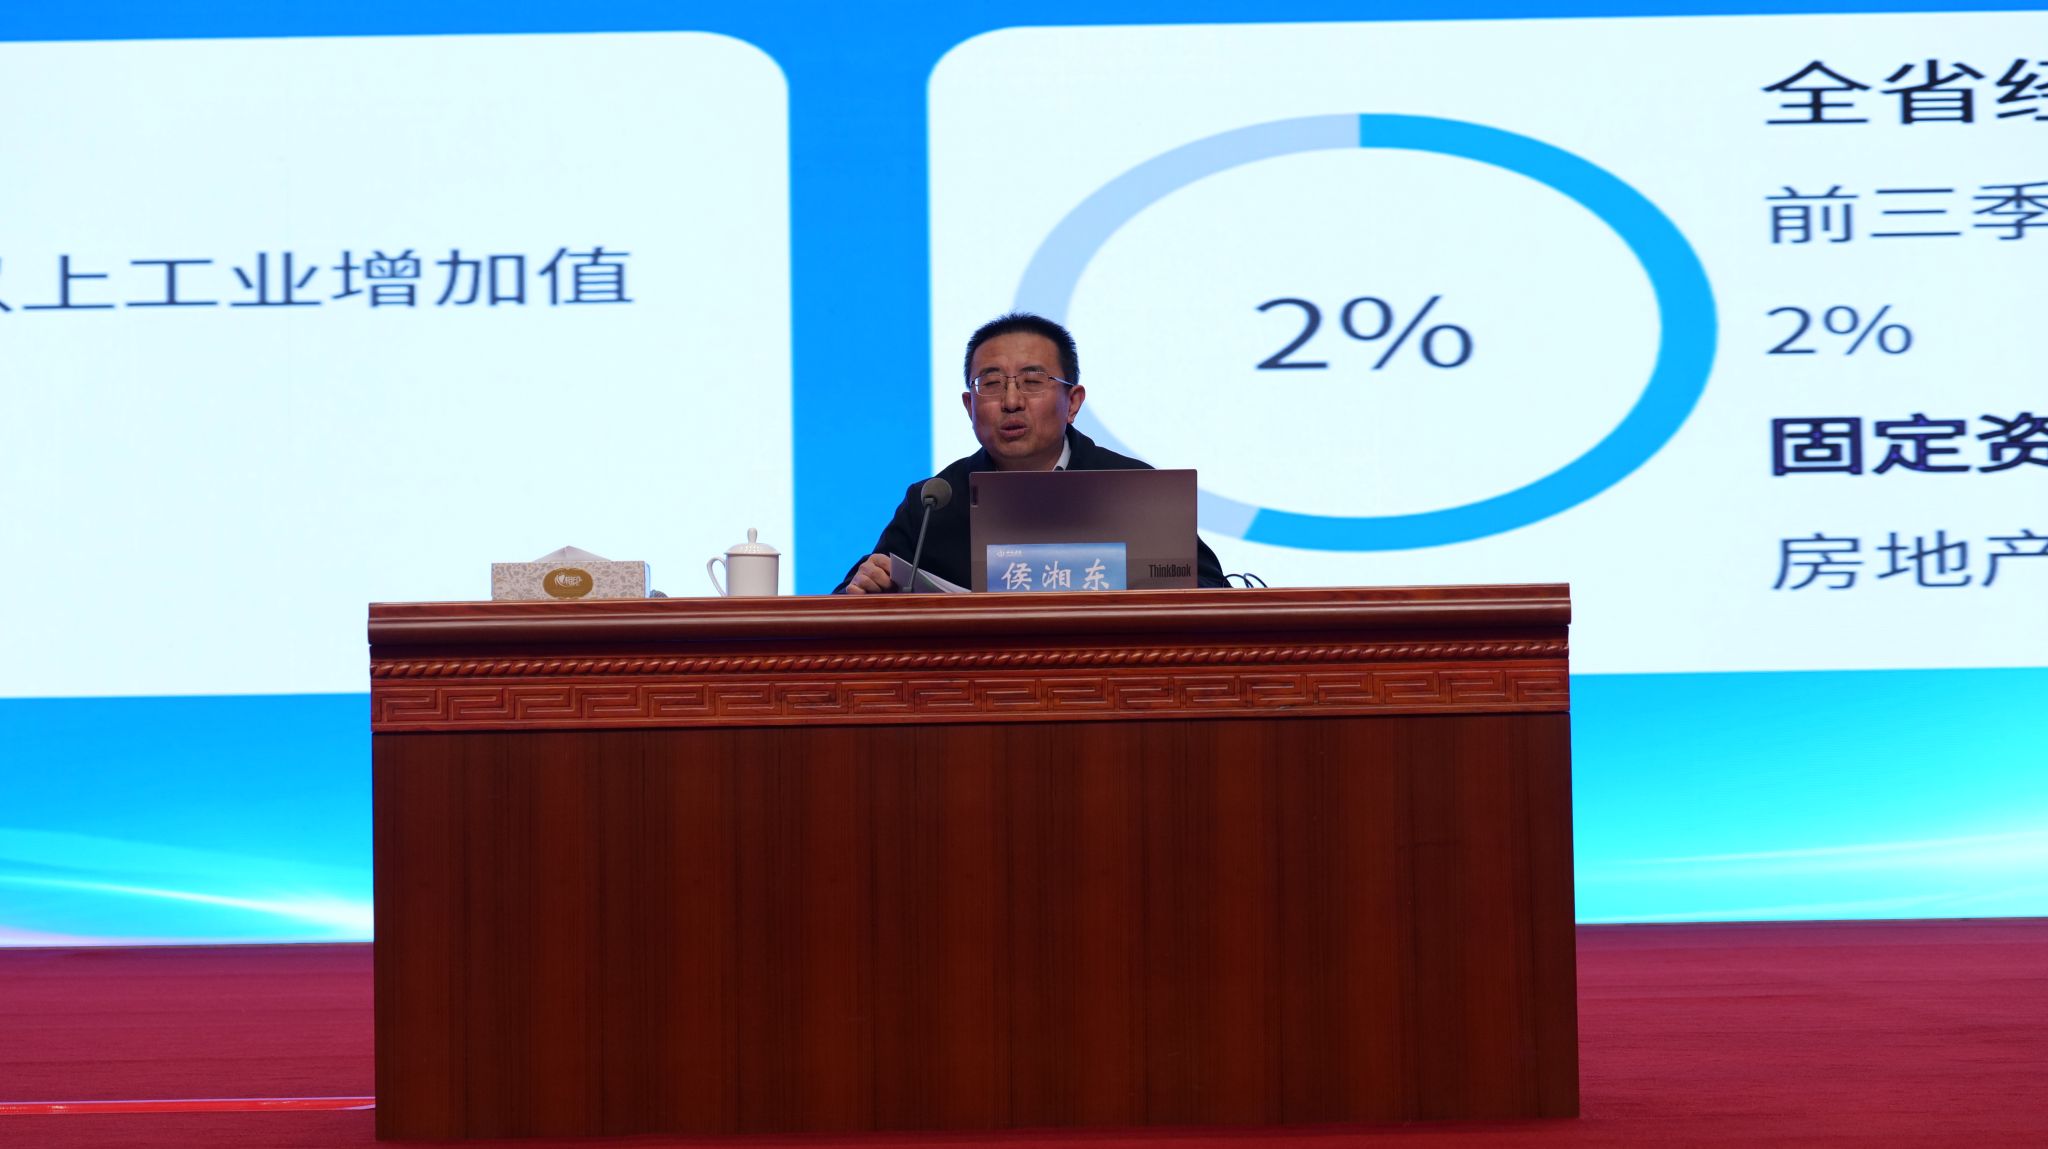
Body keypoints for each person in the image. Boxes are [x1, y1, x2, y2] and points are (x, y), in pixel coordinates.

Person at [836, 312, 1227, 593]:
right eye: (991, 384)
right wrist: (866, 585)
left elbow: (1213, 591)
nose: (1011, 401)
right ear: (970, 406)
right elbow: (851, 596)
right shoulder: (936, 502)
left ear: (1073, 402)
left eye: (1032, 381)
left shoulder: (1133, 489)